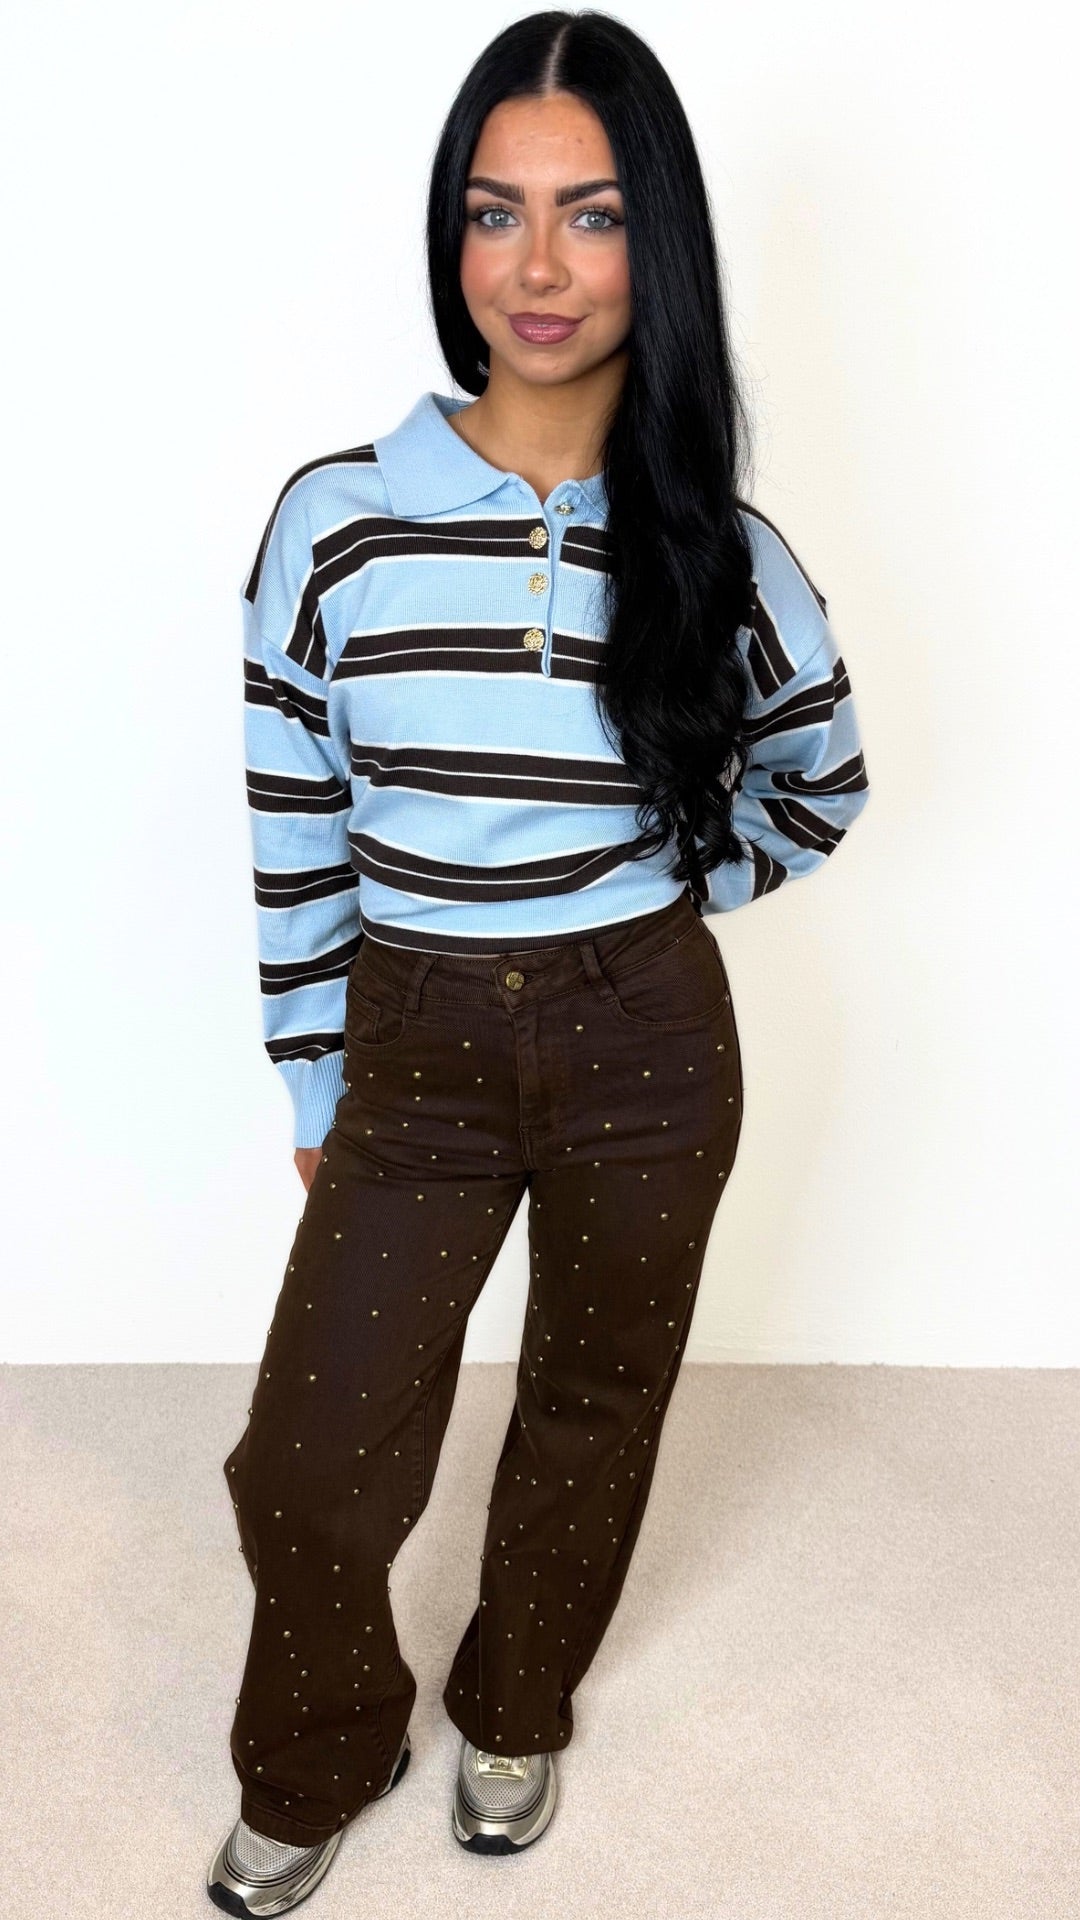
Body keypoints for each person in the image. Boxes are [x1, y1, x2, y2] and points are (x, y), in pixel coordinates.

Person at [208, 8, 871, 1912]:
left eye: (593, 214)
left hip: (644, 1036)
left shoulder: (720, 551)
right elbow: (295, 825)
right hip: (412, 1033)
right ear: (455, 239)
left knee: (593, 1403)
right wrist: (317, 1074)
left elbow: (820, 782)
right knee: (305, 1460)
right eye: (497, 212)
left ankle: (517, 1704)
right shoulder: (336, 528)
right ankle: (321, 1748)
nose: (541, 264)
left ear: (657, 242)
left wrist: (664, 891)